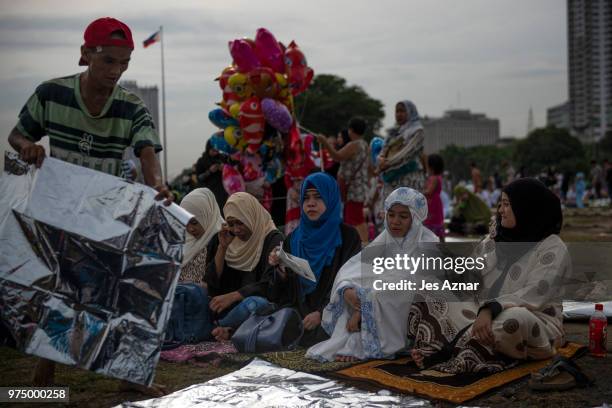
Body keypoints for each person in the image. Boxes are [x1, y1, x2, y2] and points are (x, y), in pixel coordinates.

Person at [7, 17, 173, 396]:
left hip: (108, 211)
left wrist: (158, 184)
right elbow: (17, 134)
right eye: (108, 61)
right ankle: (44, 372)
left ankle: (128, 376)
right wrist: (27, 147)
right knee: (58, 287)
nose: (116, 71)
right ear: (86, 55)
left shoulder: (130, 107)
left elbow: (147, 150)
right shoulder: (51, 94)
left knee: (125, 290)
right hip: (58, 208)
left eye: (124, 64)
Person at [409, 178, 567, 374]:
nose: (500, 210)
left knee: (514, 320)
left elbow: (534, 293)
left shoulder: (552, 246)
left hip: (533, 319)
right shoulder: (498, 236)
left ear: (526, 208)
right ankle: (455, 348)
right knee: (427, 288)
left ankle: (449, 351)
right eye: (500, 203)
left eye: (507, 204)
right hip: (478, 313)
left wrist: (491, 308)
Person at [306, 187, 439, 362]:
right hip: (376, 299)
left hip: (410, 306)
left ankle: (364, 340)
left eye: (403, 216)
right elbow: (355, 268)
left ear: (415, 218)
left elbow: (406, 283)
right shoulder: (385, 239)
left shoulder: (428, 243)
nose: (395, 222)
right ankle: (357, 337)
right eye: (391, 215)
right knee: (354, 287)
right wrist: (347, 289)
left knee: (385, 293)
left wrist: (362, 308)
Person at [267, 173, 362, 346]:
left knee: (335, 331)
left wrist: (322, 313)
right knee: (281, 321)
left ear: (331, 199)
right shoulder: (293, 239)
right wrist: (280, 271)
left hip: (334, 310)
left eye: (318, 197)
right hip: (301, 314)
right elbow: (283, 294)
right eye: (306, 198)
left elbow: (351, 280)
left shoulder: (347, 237)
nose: (311, 203)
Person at [204, 192, 283, 340]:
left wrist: (234, 296)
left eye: (240, 222)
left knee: (253, 304)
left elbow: (270, 285)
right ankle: (227, 329)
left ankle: (215, 328)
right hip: (230, 309)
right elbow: (212, 283)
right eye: (231, 224)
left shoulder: (272, 238)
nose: (236, 230)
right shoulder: (227, 238)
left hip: (259, 306)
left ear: (251, 215)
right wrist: (222, 248)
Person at [316, 118, 369, 244]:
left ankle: (363, 244)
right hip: (359, 188)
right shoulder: (365, 144)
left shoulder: (354, 145)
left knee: (355, 219)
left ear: (351, 130)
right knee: (357, 217)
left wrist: (324, 142)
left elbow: (337, 156)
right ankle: (363, 243)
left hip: (353, 190)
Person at [377, 101, 426, 200]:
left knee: (406, 210)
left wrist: (388, 163)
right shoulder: (394, 132)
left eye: (402, 111)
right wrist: (381, 158)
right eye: (397, 111)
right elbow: (384, 148)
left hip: (408, 177)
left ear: (410, 112)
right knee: (390, 209)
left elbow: (407, 152)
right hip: (391, 177)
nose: (398, 114)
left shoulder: (417, 131)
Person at [179, 188, 224, 285]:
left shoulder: (221, 238)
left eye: (194, 223)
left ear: (206, 214)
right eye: (185, 224)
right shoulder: (184, 240)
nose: (190, 229)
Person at [195, 139, 229, 210]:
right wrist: (209, 171)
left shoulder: (223, 158)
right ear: (208, 149)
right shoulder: (202, 161)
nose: (215, 152)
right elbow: (199, 178)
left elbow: (232, 170)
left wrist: (225, 168)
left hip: (223, 191)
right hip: (209, 192)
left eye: (217, 150)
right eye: (213, 150)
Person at [423, 154, 445, 241]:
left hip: (432, 204)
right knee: (437, 225)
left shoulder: (433, 178)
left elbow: (429, 192)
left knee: (432, 224)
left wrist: (419, 192)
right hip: (435, 202)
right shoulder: (437, 177)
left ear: (430, 166)